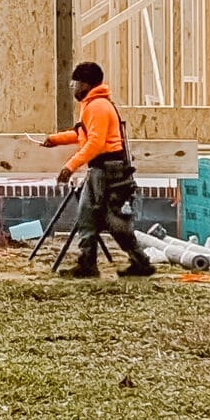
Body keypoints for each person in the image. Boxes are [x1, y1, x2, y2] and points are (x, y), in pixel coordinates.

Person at [45, 59, 155, 280]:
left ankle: (140, 262)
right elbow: (82, 135)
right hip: (99, 171)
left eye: (76, 83)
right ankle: (87, 265)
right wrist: (54, 140)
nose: (74, 87)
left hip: (108, 172)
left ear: (86, 84)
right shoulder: (92, 105)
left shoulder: (97, 107)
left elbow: (95, 144)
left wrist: (70, 166)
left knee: (114, 222)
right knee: (87, 216)